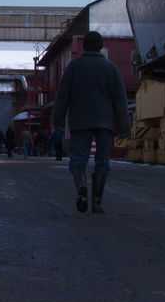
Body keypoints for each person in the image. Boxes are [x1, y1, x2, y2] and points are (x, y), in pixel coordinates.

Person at [50, 31, 130, 214]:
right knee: (102, 161)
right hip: (104, 122)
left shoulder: (73, 67)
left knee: (78, 159)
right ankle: (97, 202)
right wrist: (124, 126)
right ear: (100, 46)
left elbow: (62, 97)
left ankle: (81, 188)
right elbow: (120, 99)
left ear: (84, 46)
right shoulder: (111, 68)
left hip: (80, 120)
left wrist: (59, 122)